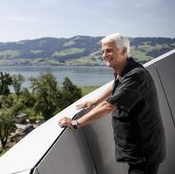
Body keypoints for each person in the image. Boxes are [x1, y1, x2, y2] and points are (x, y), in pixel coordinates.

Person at [58, 33, 166, 174]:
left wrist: (75, 123)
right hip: (138, 149)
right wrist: (94, 101)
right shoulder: (123, 70)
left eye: (109, 50)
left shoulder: (135, 75)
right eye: (103, 51)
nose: (104, 55)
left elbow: (109, 106)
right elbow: (115, 86)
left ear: (124, 51)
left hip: (144, 151)